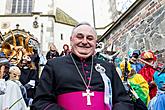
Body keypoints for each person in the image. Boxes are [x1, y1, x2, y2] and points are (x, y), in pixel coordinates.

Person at [32, 22, 134, 110]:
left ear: (95, 43)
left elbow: (124, 101)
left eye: (90, 38)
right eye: (79, 37)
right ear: (71, 40)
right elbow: (40, 102)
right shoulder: (54, 65)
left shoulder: (108, 67)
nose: (85, 42)